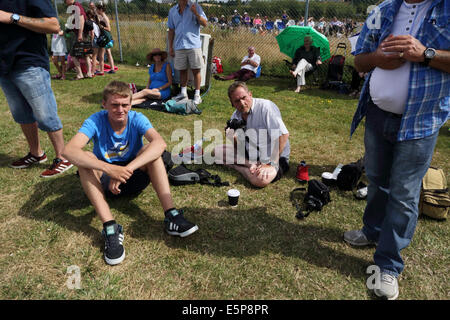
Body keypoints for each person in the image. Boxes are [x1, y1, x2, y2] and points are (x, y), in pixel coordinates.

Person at [344, 0, 449, 300]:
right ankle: (372, 231)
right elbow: (359, 61)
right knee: (377, 181)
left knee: (404, 192)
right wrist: (377, 57)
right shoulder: (383, 10)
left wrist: (425, 54)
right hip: (377, 113)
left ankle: (388, 265)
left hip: (421, 119)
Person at [62, 81, 199, 266]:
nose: (120, 109)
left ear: (131, 103)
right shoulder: (95, 120)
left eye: (125, 105)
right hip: (103, 181)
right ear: (104, 104)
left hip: (132, 177)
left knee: (153, 152)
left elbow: (160, 143)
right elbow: (69, 151)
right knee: (84, 159)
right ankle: (110, 227)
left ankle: (171, 215)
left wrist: (126, 170)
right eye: (115, 105)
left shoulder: (137, 118)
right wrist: (110, 169)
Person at [0, 0, 73, 178]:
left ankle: (63, 157)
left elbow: (53, 25)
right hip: (4, 66)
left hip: (28, 62)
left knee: (45, 114)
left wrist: (12, 17)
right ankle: (36, 153)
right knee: (21, 114)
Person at [214, 82, 290, 188]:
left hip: (274, 156)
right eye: (237, 101)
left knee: (261, 180)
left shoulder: (266, 107)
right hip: (251, 154)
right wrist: (232, 138)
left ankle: (239, 167)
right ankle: (250, 166)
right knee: (216, 151)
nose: (242, 103)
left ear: (250, 94)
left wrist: (270, 164)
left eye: (244, 97)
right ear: (232, 103)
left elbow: (283, 134)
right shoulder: (235, 117)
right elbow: (239, 149)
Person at [168, 0, 207, 105]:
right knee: (182, 70)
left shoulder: (196, 7)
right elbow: (171, 30)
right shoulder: (172, 11)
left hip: (193, 45)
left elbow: (205, 23)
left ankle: (197, 95)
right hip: (179, 45)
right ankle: (183, 93)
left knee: (196, 70)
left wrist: (195, 13)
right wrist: (170, 47)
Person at [64, 0, 93, 80]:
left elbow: (81, 20)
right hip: (84, 34)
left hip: (81, 34)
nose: (65, 3)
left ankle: (80, 74)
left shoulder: (76, 6)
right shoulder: (75, 6)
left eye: (65, 1)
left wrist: (80, 34)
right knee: (86, 54)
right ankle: (89, 73)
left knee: (73, 55)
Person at [95, 2, 115, 75]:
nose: (96, 10)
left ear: (100, 10)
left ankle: (101, 70)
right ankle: (112, 69)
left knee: (101, 55)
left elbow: (109, 29)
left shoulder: (105, 18)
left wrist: (102, 27)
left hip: (105, 37)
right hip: (106, 37)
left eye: (97, 9)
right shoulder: (101, 16)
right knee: (108, 53)